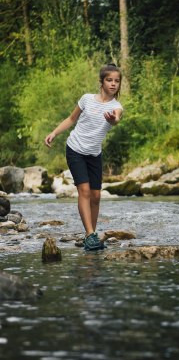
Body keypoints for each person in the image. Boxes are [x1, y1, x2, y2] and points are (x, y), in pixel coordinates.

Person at [44, 63, 123, 251]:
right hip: (75, 150)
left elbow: (117, 118)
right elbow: (71, 119)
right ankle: (89, 234)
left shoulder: (116, 106)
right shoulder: (87, 99)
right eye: (109, 80)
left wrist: (113, 120)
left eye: (117, 81)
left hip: (94, 154)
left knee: (96, 196)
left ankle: (91, 235)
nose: (113, 84)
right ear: (101, 82)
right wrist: (54, 133)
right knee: (85, 192)